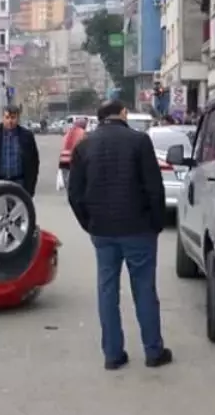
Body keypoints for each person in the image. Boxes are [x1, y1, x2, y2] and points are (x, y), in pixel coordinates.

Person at [67, 99, 171, 370]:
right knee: (144, 289)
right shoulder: (139, 142)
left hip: (102, 230)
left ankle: (113, 355)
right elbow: (154, 188)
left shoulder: (84, 146)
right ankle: (153, 351)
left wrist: (89, 223)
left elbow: (74, 193)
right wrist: (156, 223)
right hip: (138, 228)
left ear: (99, 118)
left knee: (107, 290)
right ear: (123, 114)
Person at [58, 116, 87, 188]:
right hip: (74, 157)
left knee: (66, 177)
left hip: (63, 157)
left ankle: (67, 189)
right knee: (75, 178)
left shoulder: (68, 132)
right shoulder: (82, 133)